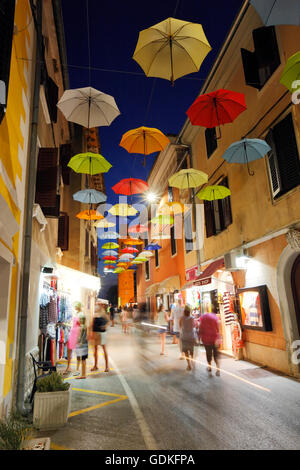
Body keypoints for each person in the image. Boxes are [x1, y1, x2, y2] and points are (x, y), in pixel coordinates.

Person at [198, 312, 221, 376]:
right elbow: (217, 329)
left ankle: (209, 367)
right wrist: (219, 338)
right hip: (214, 339)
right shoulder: (214, 319)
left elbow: (200, 329)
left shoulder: (203, 320)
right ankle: (218, 369)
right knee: (216, 354)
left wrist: (199, 338)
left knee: (208, 354)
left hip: (206, 340)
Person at [63, 301, 82, 376]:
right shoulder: (76, 314)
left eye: (76, 306)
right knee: (69, 349)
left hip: (77, 333)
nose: (74, 307)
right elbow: (73, 324)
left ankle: (77, 369)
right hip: (72, 333)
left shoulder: (81, 315)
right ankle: (68, 367)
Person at [90, 302, 109, 372]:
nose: (96, 306)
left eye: (98, 305)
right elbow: (92, 324)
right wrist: (91, 333)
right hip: (95, 333)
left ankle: (107, 366)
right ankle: (95, 366)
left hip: (102, 334)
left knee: (104, 349)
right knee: (95, 351)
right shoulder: (95, 314)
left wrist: (105, 326)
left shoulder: (103, 314)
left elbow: (108, 322)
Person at [179, 305, 196, 371]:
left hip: (184, 336)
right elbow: (193, 325)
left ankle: (189, 365)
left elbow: (180, 326)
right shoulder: (192, 318)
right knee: (191, 350)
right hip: (191, 336)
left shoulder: (181, 318)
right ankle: (192, 360)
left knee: (186, 351)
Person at [75, 312, 88, 379]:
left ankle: (83, 375)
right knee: (83, 360)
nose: (79, 320)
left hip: (82, 345)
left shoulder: (82, 327)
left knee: (82, 359)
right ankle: (83, 374)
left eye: (80, 319)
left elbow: (82, 336)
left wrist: (80, 343)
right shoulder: (84, 326)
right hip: (85, 344)